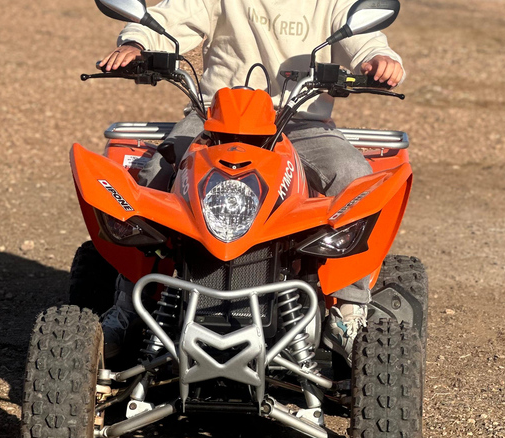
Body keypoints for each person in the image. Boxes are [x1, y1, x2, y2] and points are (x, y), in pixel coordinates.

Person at [98, 0, 405, 362]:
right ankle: (132, 301)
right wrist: (137, 44)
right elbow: (167, 21)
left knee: (353, 175)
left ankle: (348, 310)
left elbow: (363, 38)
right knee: (152, 176)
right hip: (215, 117)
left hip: (300, 120)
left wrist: (379, 60)